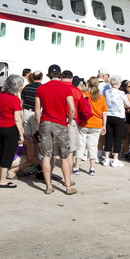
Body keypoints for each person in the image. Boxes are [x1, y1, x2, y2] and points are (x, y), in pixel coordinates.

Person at [35, 64, 76, 195]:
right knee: (64, 156)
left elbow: (37, 111)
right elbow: (72, 109)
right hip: (60, 123)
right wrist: (68, 122)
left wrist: (40, 124)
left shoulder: (41, 88)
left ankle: (48, 186)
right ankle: (68, 186)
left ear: (48, 75)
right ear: (60, 74)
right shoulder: (65, 88)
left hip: (46, 122)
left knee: (46, 156)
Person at [0, 74, 24, 188]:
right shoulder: (15, 100)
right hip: (10, 128)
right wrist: (21, 134)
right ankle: (3, 180)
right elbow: (17, 119)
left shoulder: (1, 95)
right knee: (8, 154)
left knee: (1, 152)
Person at [74, 77, 107, 175]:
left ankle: (76, 167)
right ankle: (92, 168)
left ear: (88, 84)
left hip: (84, 123)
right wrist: (104, 125)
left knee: (80, 146)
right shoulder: (101, 97)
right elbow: (104, 113)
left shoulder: (85, 95)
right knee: (93, 146)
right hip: (96, 124)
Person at [101, 75, 130, 168]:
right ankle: (115, 159)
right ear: (118, 83)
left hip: (108, 115)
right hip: (119, 116)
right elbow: (127, 104)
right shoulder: (121, 93)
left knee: (108, 137)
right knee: (118, 138)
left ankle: (106, 158)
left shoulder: (106, 92)